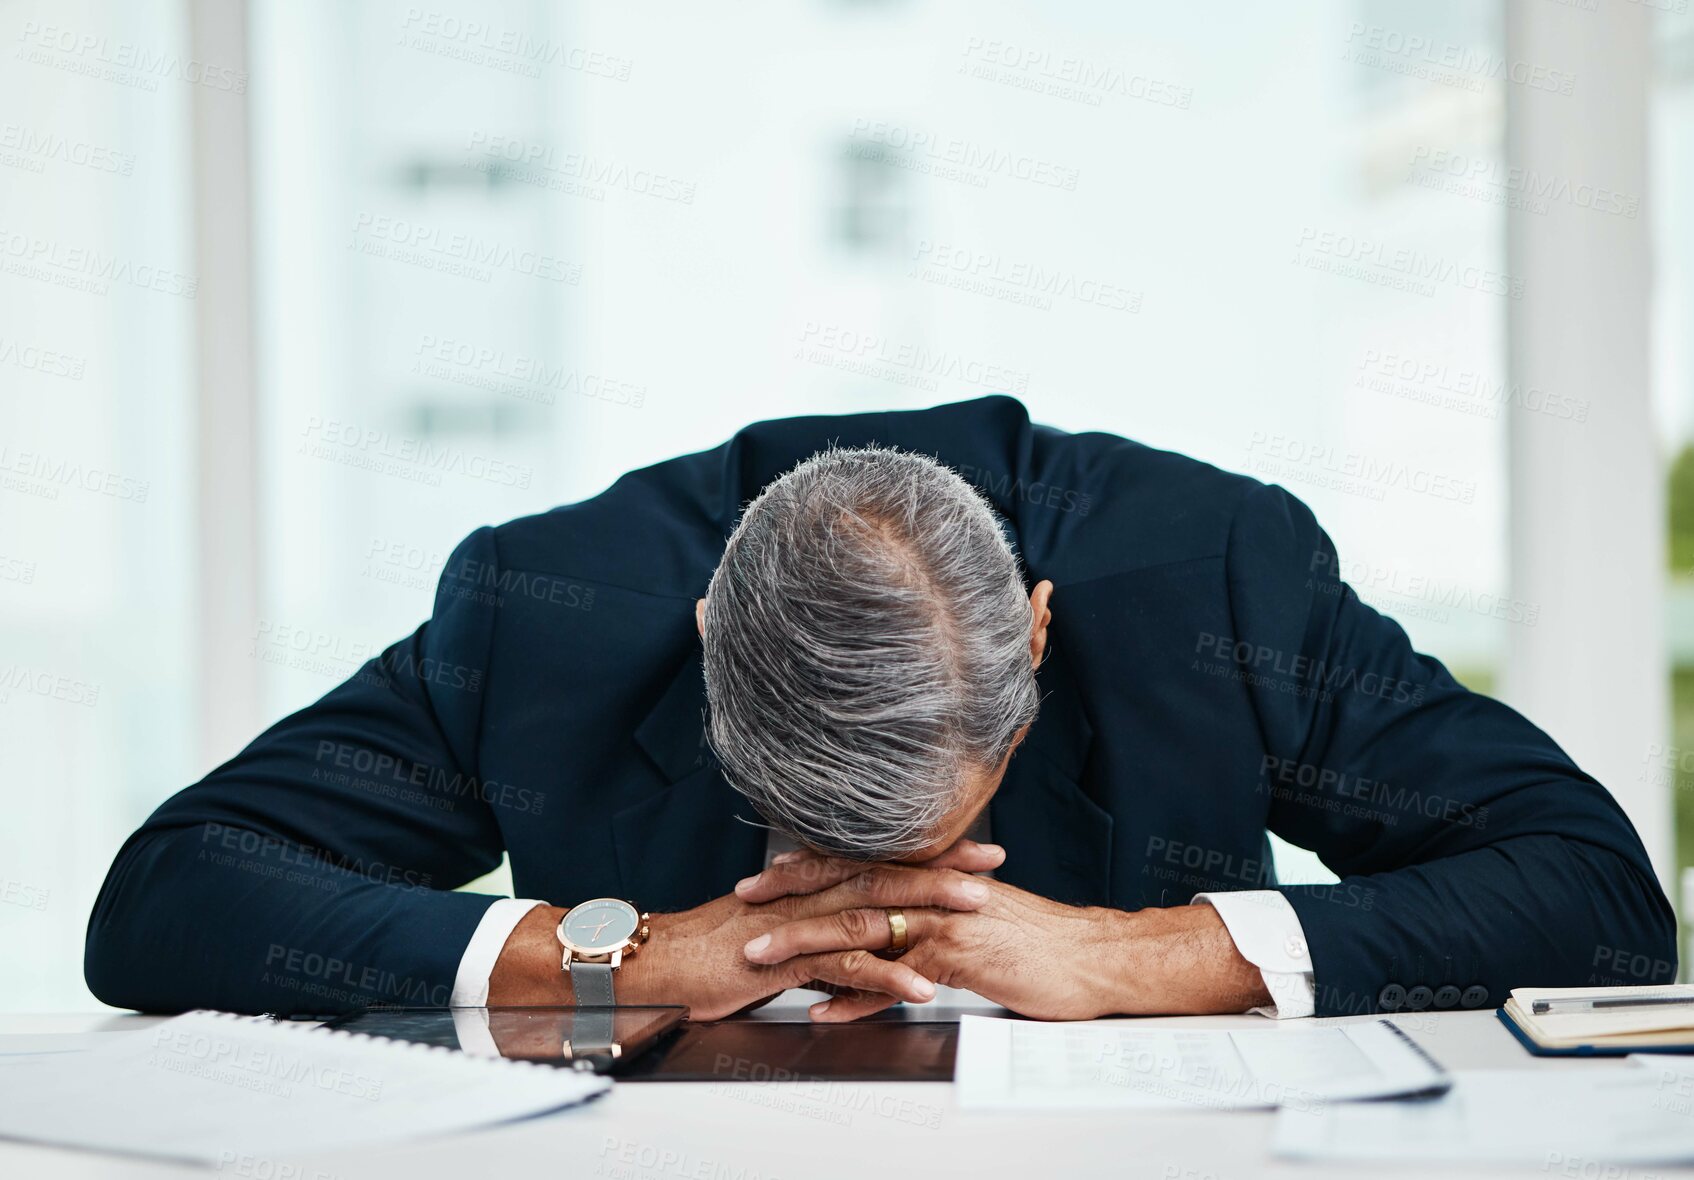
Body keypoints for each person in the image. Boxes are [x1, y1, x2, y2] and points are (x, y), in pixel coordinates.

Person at [85, 396, 1674, 1022]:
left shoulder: (1212, 580)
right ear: (710, 641)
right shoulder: (540, 612)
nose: (873, 895)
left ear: (1037, 645)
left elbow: (1596, 893)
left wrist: (1146, 952)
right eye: (816, 832)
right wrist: (602, 954)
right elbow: (166, 896)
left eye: (925, 828)